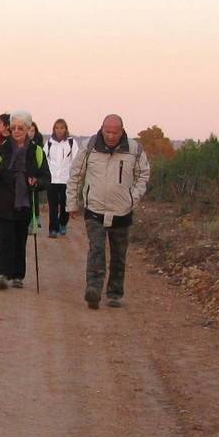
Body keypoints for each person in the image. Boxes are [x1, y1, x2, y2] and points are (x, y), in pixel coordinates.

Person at [66, 114, 150, 309]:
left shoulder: (134, 150)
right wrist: (72, 203)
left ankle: (114, 293)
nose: (111, 136)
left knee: (119, 254)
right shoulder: (89, 147)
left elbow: (143, 175)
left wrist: (132, 198)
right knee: (96, 250)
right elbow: (76, 175)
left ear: (122, 131)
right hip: (95, 209)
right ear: (102, 129)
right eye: (107, 131)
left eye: (115, 132)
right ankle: (93, 289)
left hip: (122, 211)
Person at [0, 110, 51, 289]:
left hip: (24, 204)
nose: (16, 131)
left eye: (20, 128)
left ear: (29, 129)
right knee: (4, 240)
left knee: (19, 241)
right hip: (4, 203)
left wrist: (36, 182)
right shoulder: (1, 149)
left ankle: (17, 275)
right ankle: (1, 274)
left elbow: (46, 178)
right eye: (13, 127)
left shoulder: (36, 151)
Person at [44, 119, 80, 239]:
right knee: (53, 206)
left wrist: (74, 176)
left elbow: (76, 160)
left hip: (66, 179)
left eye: (62, 128)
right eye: (57, 128)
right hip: (52, 179)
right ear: (54, 129)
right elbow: (45, 160)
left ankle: (63, 223)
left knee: (65, 204)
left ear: (66, 129)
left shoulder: (71, 142)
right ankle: (52, 229)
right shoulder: (49, 143)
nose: (59, 130)